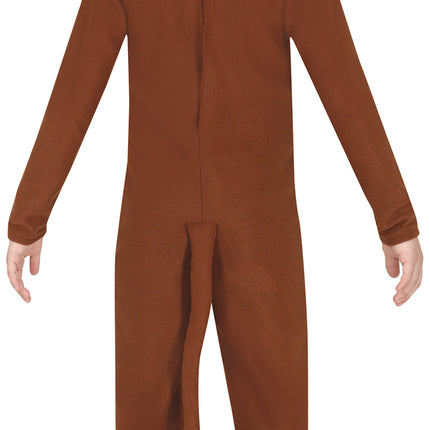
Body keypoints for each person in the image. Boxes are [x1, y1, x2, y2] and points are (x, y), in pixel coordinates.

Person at [5, 0, 424, 428]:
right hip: (257, 218)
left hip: (157, 217)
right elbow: (344, 83)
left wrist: (28, 218)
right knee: (274, 408)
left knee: (147, 408)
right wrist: (395, 221)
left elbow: (76, 85)